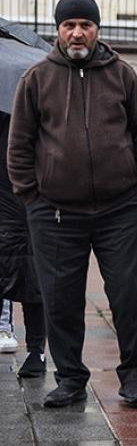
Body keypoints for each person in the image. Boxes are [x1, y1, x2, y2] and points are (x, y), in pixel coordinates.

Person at [7, 0, 137, 408]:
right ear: (58, 30)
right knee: (61, 299)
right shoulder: (36, 79)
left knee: (129, 294)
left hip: (121, 209)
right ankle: (70, 378)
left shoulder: (122, 74)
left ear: (97, 29)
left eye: (85, 25)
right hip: (54, 212)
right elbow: (19, 144)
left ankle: (133, 377)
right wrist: (31, 198)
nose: (77, 33)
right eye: (69, 25)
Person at [0, 111, 46, 378]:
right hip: (12, 208)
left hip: (29, 209)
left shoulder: (34, 123)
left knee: (32, 278)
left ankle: (36, 349)